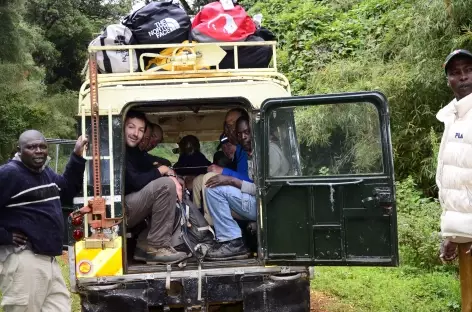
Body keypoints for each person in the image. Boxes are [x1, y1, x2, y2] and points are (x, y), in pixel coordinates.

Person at [0, 130, 88, 312]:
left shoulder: (44, 172)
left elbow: (67, 190)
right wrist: (5, 236)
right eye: (31, 147)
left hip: (48, 260)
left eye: (42, 146)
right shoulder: (9, 174)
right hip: (24, 260)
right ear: (19, 150)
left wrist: (77, 156)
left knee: (60, 307)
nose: (38, 150)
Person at [204, 115, 289, 260]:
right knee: (215, 189)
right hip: (261, 203)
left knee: (214, 189)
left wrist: (231, 180)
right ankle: (226, 239)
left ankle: (232, 241)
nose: (243, 137)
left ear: (256, 131)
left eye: (247, 132)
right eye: (239, 134)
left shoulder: (270, 151)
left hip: (269, 207)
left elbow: (263, 191)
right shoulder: (255, 153)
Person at [124, 110, 187, 264]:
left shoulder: (135, 152)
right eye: (131, 127)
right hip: (120, 209)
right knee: (165, 186)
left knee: (168, 187)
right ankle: (158, 246)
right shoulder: (120, 150)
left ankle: (143, 246)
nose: (136, 133)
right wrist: (162, 171)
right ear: (122, 127)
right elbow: (136, 181)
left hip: (132, 204)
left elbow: (150, 163)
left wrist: (170, 173)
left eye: (140, 130)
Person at [436, 49, 472, 262]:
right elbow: (455, 181)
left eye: (469, 70)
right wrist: (452, 234)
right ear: (448, 80)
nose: (463, 76)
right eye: (455, 72)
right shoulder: (453, 117)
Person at [192, 108, 251, 225]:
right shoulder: (239, 150)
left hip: (250, 195)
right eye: (228, 126)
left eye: (234, 124)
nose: (231, 129)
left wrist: (223, 171)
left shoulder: (248, 148)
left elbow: (250, 181)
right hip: (243, 191)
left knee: (209, 179)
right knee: (199, 180)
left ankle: (210, 226)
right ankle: (196, 220)